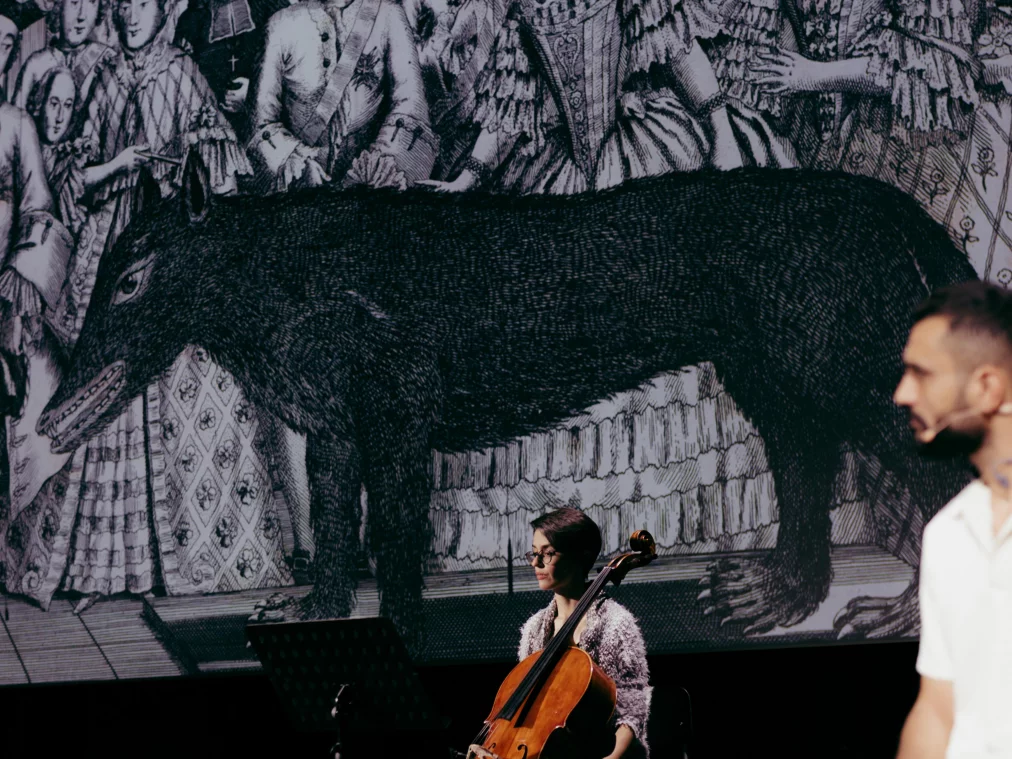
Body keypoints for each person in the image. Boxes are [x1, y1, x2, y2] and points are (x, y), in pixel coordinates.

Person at [893, 280, 1012, 758]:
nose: (902, 393)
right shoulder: (947, 533)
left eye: (921, 373)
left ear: (986, 386)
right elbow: (938, 708)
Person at [247, 0, 437, 193]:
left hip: (371, 193)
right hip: (302, 195)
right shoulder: (280, 24)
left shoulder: (389, 16)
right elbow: (260, 125)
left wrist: (378, 169)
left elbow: (411, 108)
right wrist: (295, 166)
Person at [518, 507, 651, 759]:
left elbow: (632, 708)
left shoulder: (615, 623)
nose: (536, 563)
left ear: (581, 556)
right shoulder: (534, 630)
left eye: (547, 554)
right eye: (534, 554)